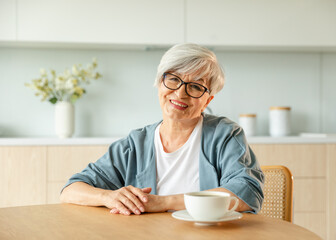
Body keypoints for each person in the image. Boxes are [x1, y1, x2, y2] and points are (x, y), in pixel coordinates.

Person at [60, 43, 264, 216]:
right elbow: (70, 190)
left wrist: (163, 203)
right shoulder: (135, 144)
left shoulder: (225, 135)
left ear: (207, 100)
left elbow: (246, 193)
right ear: (159, 83)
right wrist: (109, 196)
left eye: (195, 87)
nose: (180, 93)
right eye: (173, 79)